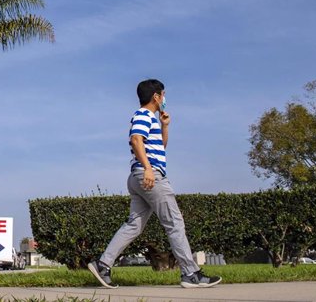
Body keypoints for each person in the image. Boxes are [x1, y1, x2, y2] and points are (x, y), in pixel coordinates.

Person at [88, 79, 221, 289]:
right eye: (163, 95)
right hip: (150, 176)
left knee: (134, 225)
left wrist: (164, 126)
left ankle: (102, 264)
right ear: (156, 97)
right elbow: (136, 140)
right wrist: (149, 169)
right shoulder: (142, 115)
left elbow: (160, 147)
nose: (165, 99)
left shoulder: (152, 119)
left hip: (139, 175)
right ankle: (191, 273)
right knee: (174, 223)